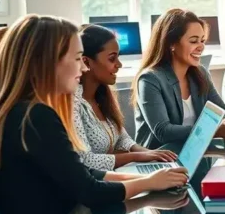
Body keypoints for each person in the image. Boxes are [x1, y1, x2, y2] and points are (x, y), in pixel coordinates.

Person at [0, 14, 189, 214]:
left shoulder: (20, 110)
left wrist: (149, 180)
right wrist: (148, 184)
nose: (83, 67)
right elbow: (89, 192)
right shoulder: (35, 117)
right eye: (76, 59)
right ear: (47, 62)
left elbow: (80, 172)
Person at [133, 8, 225, 149]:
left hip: (195, 155)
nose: (201, 47)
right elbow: (163, 131)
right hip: (159, 159)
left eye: (202, 40)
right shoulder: (149, 79)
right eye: (194, 41)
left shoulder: (200, 73)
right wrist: (214, 131)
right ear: (171, 44)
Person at [75, 24, 178, 170]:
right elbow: (86, 161)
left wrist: (151, 154)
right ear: (86, 62)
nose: (119, 64)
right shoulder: (74, 104)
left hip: (116, 174)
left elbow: (122, 139)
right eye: (112, 59)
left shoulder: (102, 96)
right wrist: (136, 156)